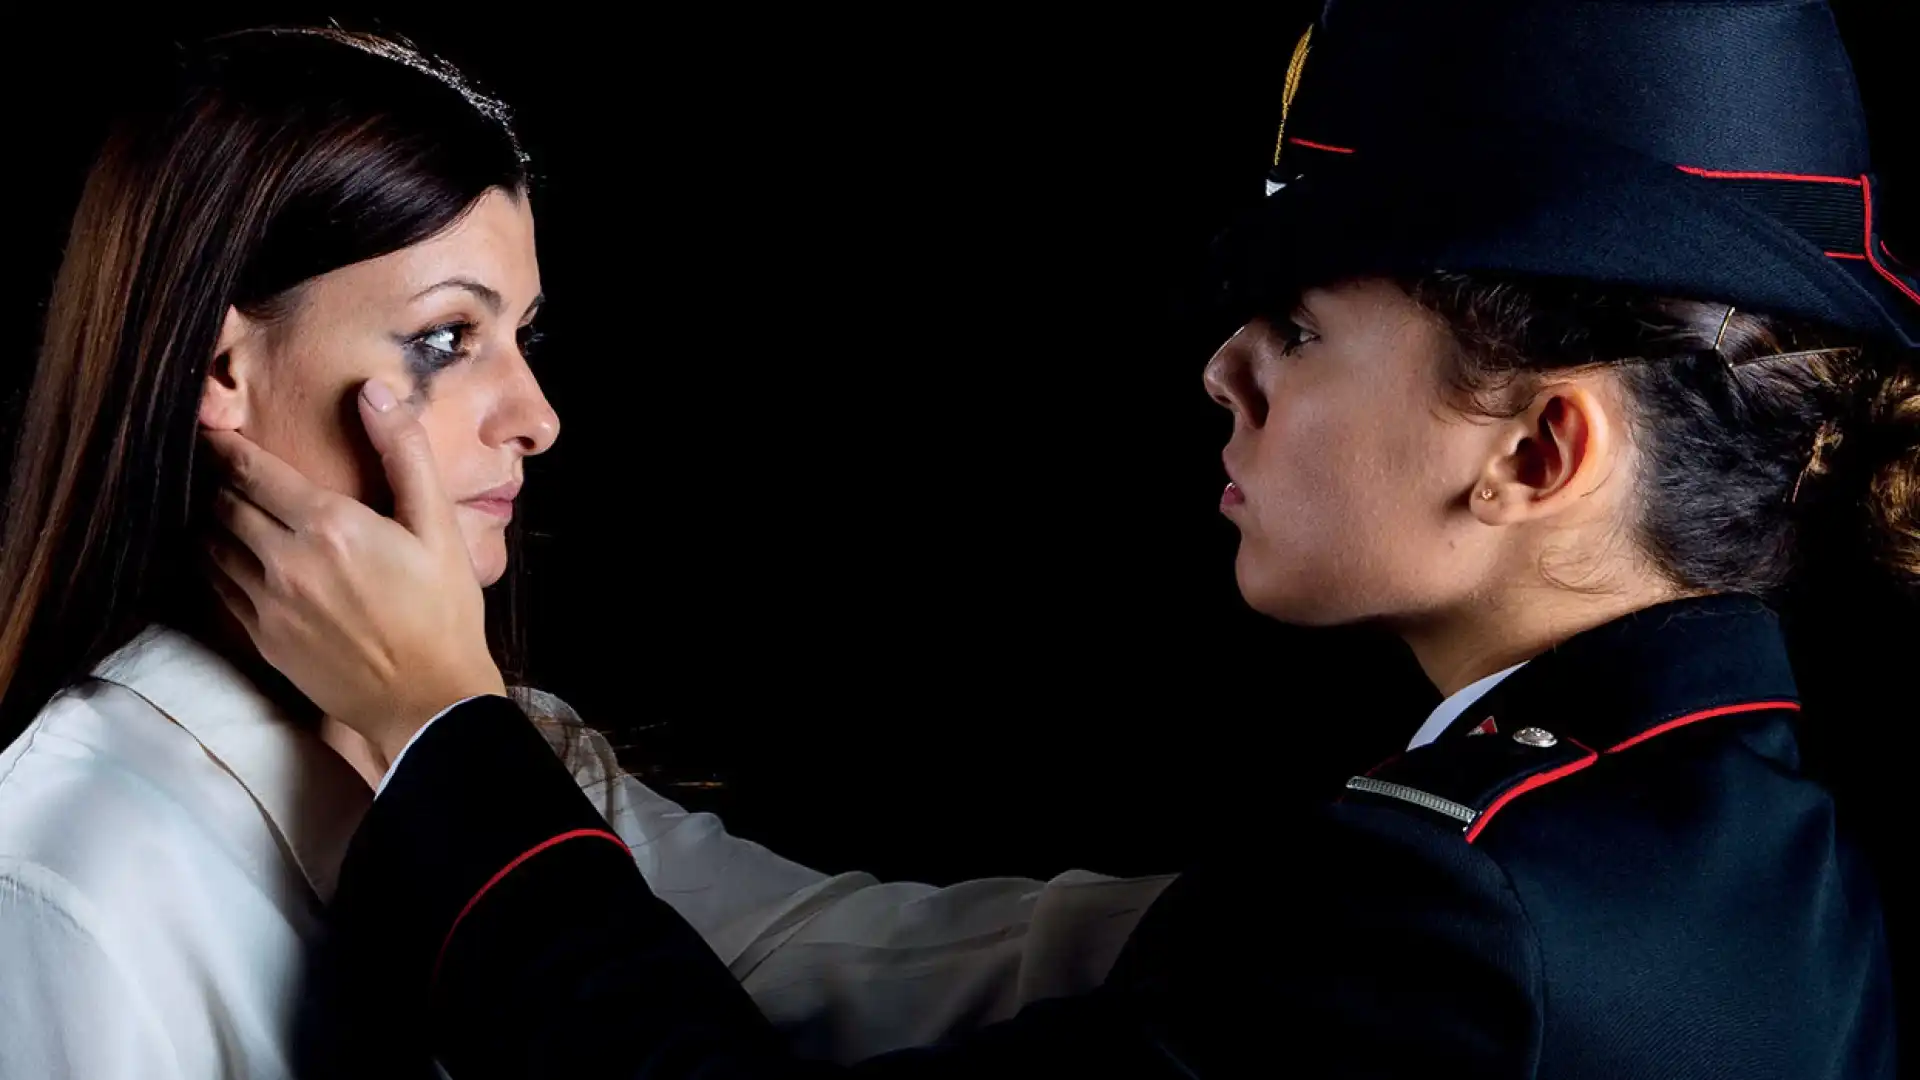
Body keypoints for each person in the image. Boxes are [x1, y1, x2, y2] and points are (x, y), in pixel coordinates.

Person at [209, 2, 1911, 1077]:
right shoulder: (1733, 842)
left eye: (1303, 332)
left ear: (1543, 448)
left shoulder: (1459, 911)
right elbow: (991, 957)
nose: (1223, 372)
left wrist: (444, 727)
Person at [0, 28, 1169, 1080]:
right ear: (221, 374)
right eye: (447, 337)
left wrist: (1309, 927)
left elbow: (849, 964)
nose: (536, 415)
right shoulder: (72, 874)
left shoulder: (505, 743)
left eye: (523, 332)